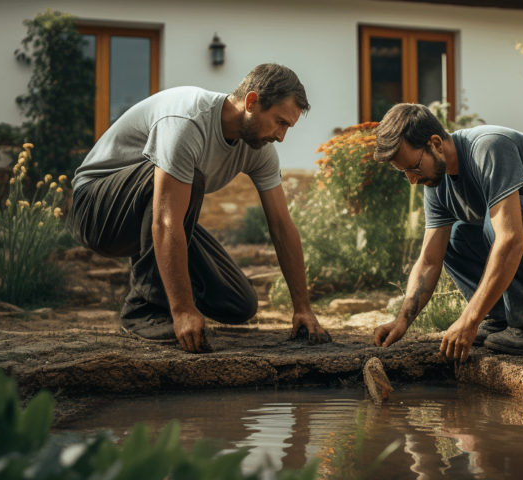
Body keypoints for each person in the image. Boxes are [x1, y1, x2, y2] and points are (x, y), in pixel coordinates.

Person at [67, 64, 331, 353]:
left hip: (153, 211)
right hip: (96, 210)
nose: (281, 136)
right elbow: (166, 223)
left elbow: (281, 225)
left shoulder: (258, 149)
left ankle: (171, 298)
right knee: (190, 181)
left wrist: (302, 308)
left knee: (239, 304)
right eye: (279, 122)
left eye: (287, 127)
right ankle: (144, 311)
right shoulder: (187, 120)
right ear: (252, 102)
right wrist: (182, 310)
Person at [371, 104, 523, 360]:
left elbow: (511, 239)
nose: (412, 179)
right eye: (404, 172)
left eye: (414, 167)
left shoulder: (489, 147)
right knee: (454, 236)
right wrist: (402, 321)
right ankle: (502, 319)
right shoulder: (436, 184)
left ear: (436, 143)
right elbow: (429, 261)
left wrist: (468, 319)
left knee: (507, 220)